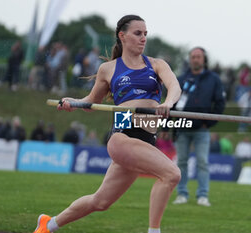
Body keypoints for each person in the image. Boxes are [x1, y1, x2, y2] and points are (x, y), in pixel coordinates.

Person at [33, 15, 181, 233]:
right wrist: (72, 103)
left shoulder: (157, 65)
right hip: (123, 134)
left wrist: (168, 103)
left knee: (100, 202)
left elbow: (174, 86)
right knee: (172, 174)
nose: (143, 39)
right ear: (122, 36)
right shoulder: (109, 69)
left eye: (145, 34)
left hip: (146, 138)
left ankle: (49, 224)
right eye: (138, 33)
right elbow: (91, 102)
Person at [172, 47, 225, 207]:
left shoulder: (214, 79)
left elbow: (220, 103)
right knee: (181, 162)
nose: (195, 59)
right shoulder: (180, 79)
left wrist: (208, 122)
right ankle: (182, 194)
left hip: (202, 129)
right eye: (193, 57)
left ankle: (203, 195)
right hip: (181, 127)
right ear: (189, 59)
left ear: (204, 59)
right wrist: (169, 126)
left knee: (203, 162)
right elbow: (172, 103)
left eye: (198, 57)